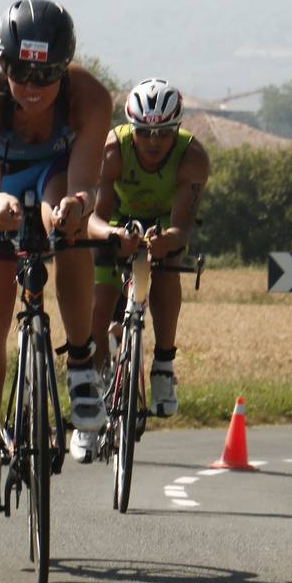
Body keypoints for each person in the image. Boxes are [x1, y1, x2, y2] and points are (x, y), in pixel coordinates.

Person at [0, 0, 113, 512]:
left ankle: (82, 364)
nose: (32, 85)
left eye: (46, 74)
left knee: (68, 228)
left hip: (56, 176)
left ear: (64, 68)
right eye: (21, 71)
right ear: (4, 65)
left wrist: (77, 204)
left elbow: (88, 182)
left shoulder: (89, 98)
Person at [79, 78, 209, 451]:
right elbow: (94, 217)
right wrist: (113, 235)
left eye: (164, 133)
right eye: (144, 132)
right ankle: (92, 402)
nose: (153, 142)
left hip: (161, 223)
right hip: (115, 221)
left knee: (168, 266)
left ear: (177, 129)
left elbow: (182, 226)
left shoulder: (193, 157)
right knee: (100, 307)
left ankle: (164, 365)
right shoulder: (112, 150)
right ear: (131, 128)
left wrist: (167, 240)